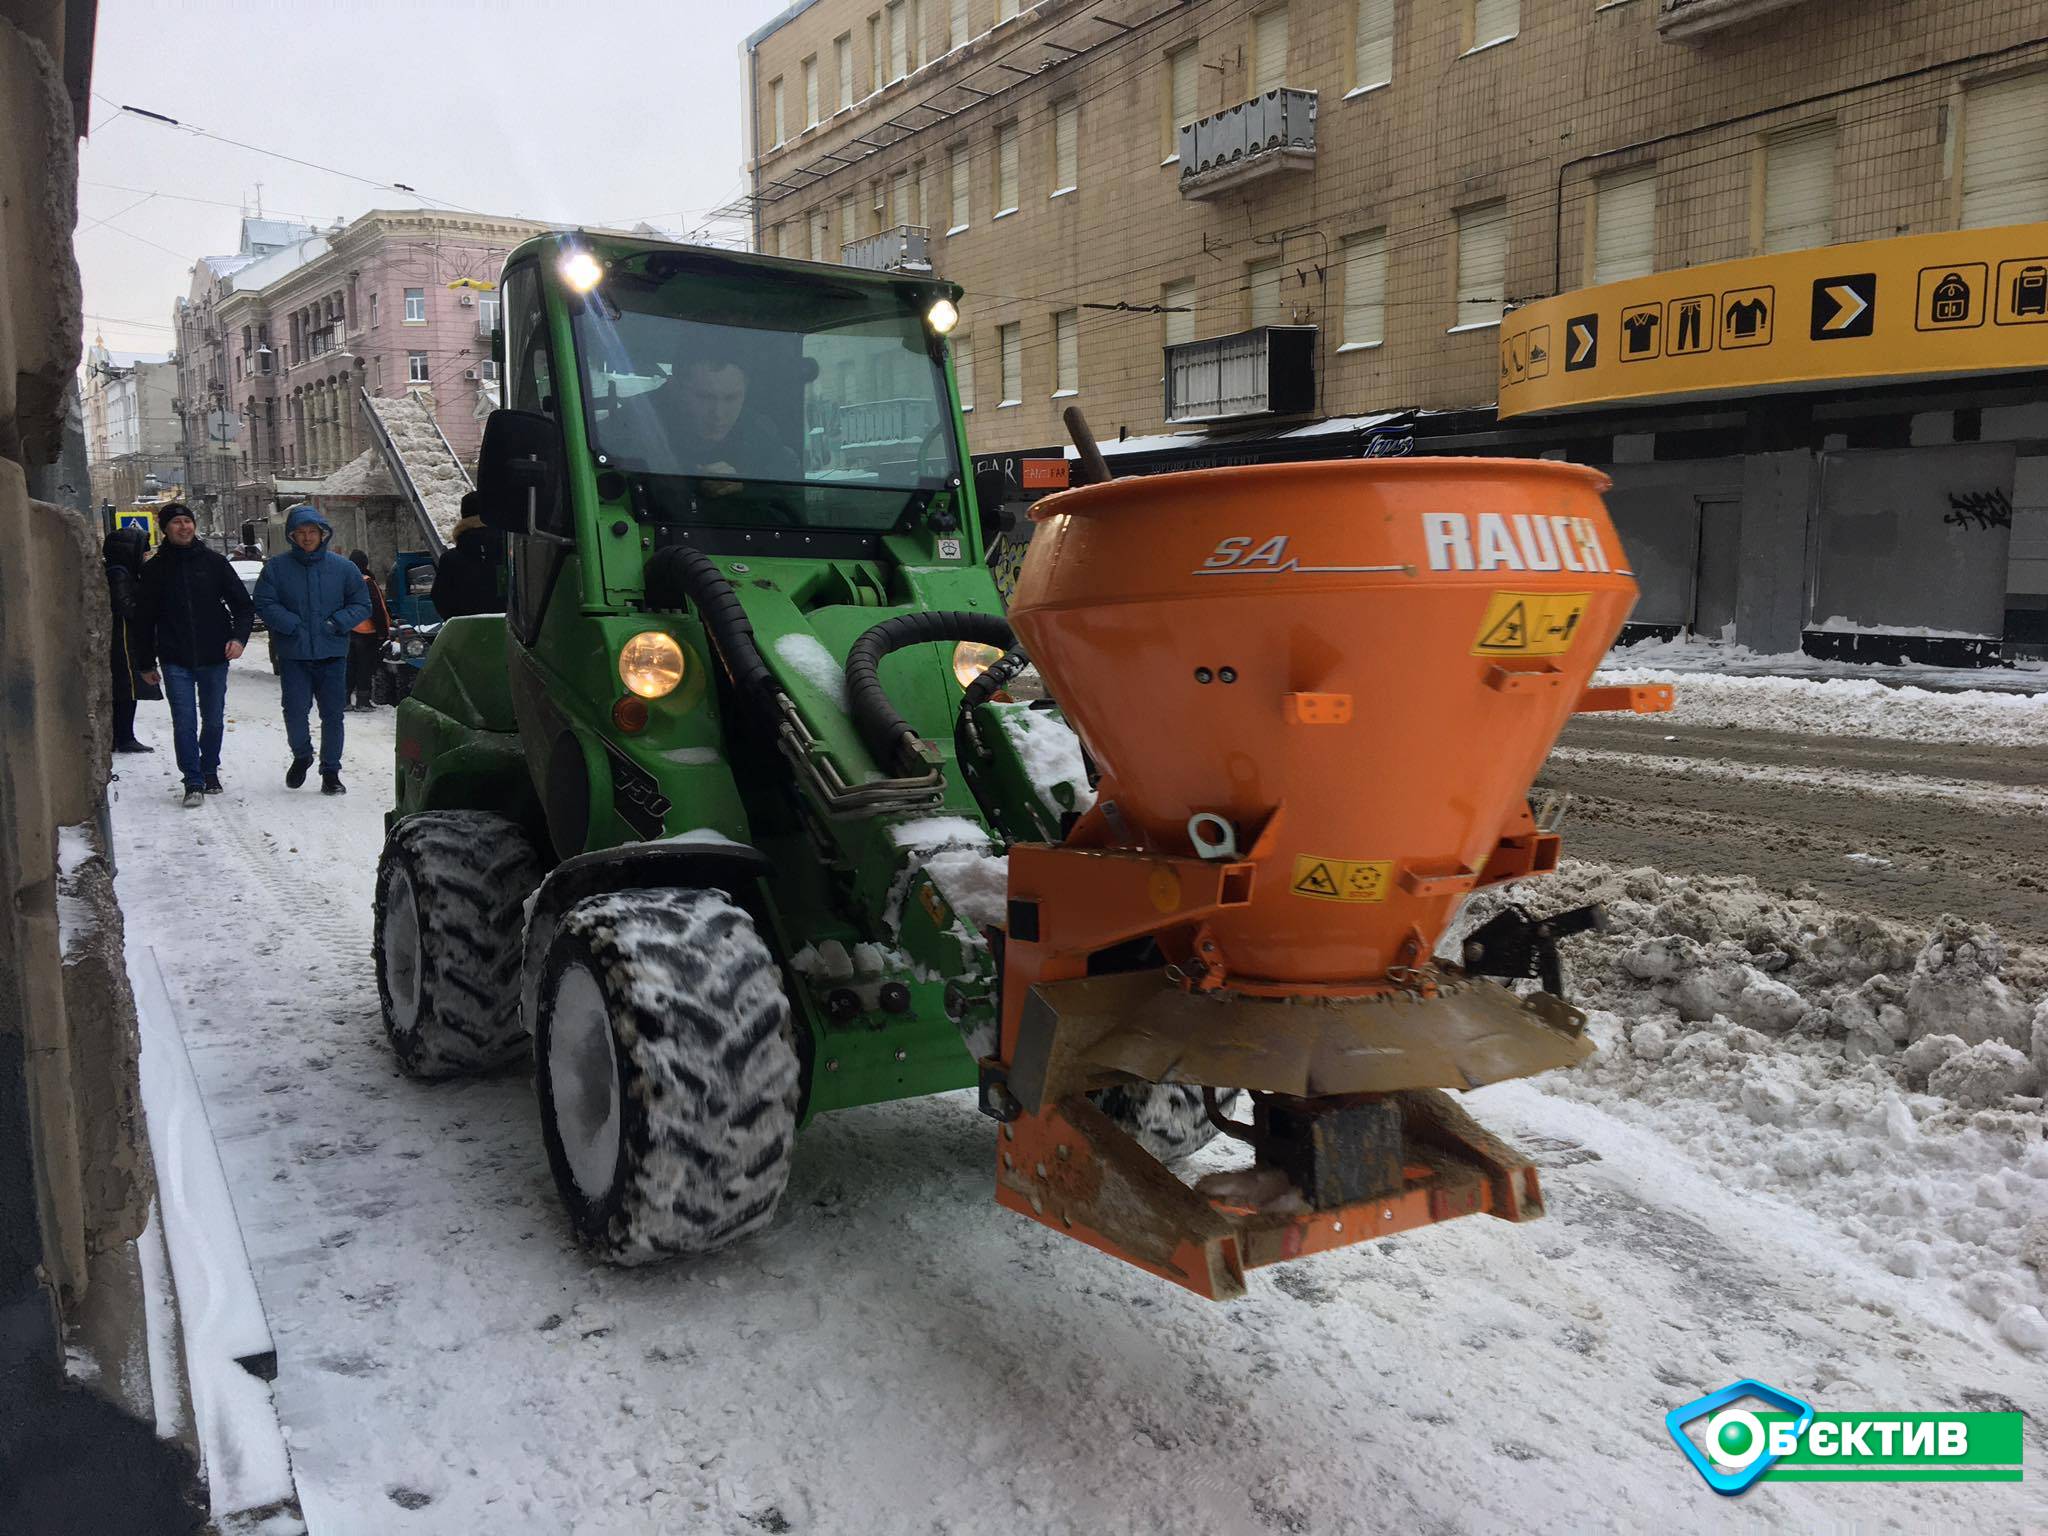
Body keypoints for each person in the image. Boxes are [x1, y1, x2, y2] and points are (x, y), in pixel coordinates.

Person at [133, 503, 254, 807]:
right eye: (176, 522)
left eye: (188, 521)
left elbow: (242, 605)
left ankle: (209, 769)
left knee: (212, 720)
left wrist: (239, 639)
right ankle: (193, 780)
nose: (184, 527)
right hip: (175, 658)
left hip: (215, 655)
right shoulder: (154, 570)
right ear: (165, 529)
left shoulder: (214, 563)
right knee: (184, 721)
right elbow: (143, 620)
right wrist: (145, 663)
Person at [254, 505, 369, 796]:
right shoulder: (276, 569)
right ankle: (302, 754)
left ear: (323, 534)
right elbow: (265, 603)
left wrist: (337, 623)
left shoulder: (343, 568)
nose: (307, 538)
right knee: (294, 711)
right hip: (294, 654)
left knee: (333, 715)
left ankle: (331, 771)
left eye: (312, 532)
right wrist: (290, 624)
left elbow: (361, 604)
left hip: (332, 653)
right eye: (301, 533)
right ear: (292, 536)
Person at [102, 525, 154, 754]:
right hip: (122, 639)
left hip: (124, 637)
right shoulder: (120, 574)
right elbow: (126, 606)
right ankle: (124, 736)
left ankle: (122, 735)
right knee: (127, 687)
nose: (146, 556)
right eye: (143, 550)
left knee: (126, 688)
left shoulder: (123, 571)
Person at [428, 497, 507, 619]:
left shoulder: (449, 560)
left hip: (465, 632)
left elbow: (439, 596)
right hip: (507, 631)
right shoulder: (510, 557)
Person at [346, 549, 392, 711]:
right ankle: (363, 701)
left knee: (350, 666)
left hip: (348, 631)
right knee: (365, 666)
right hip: (367, 632)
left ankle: (344, 700)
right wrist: (382, 632)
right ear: (365, 564)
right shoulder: (366, 582)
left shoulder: (345, 581)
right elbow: (376, 608)